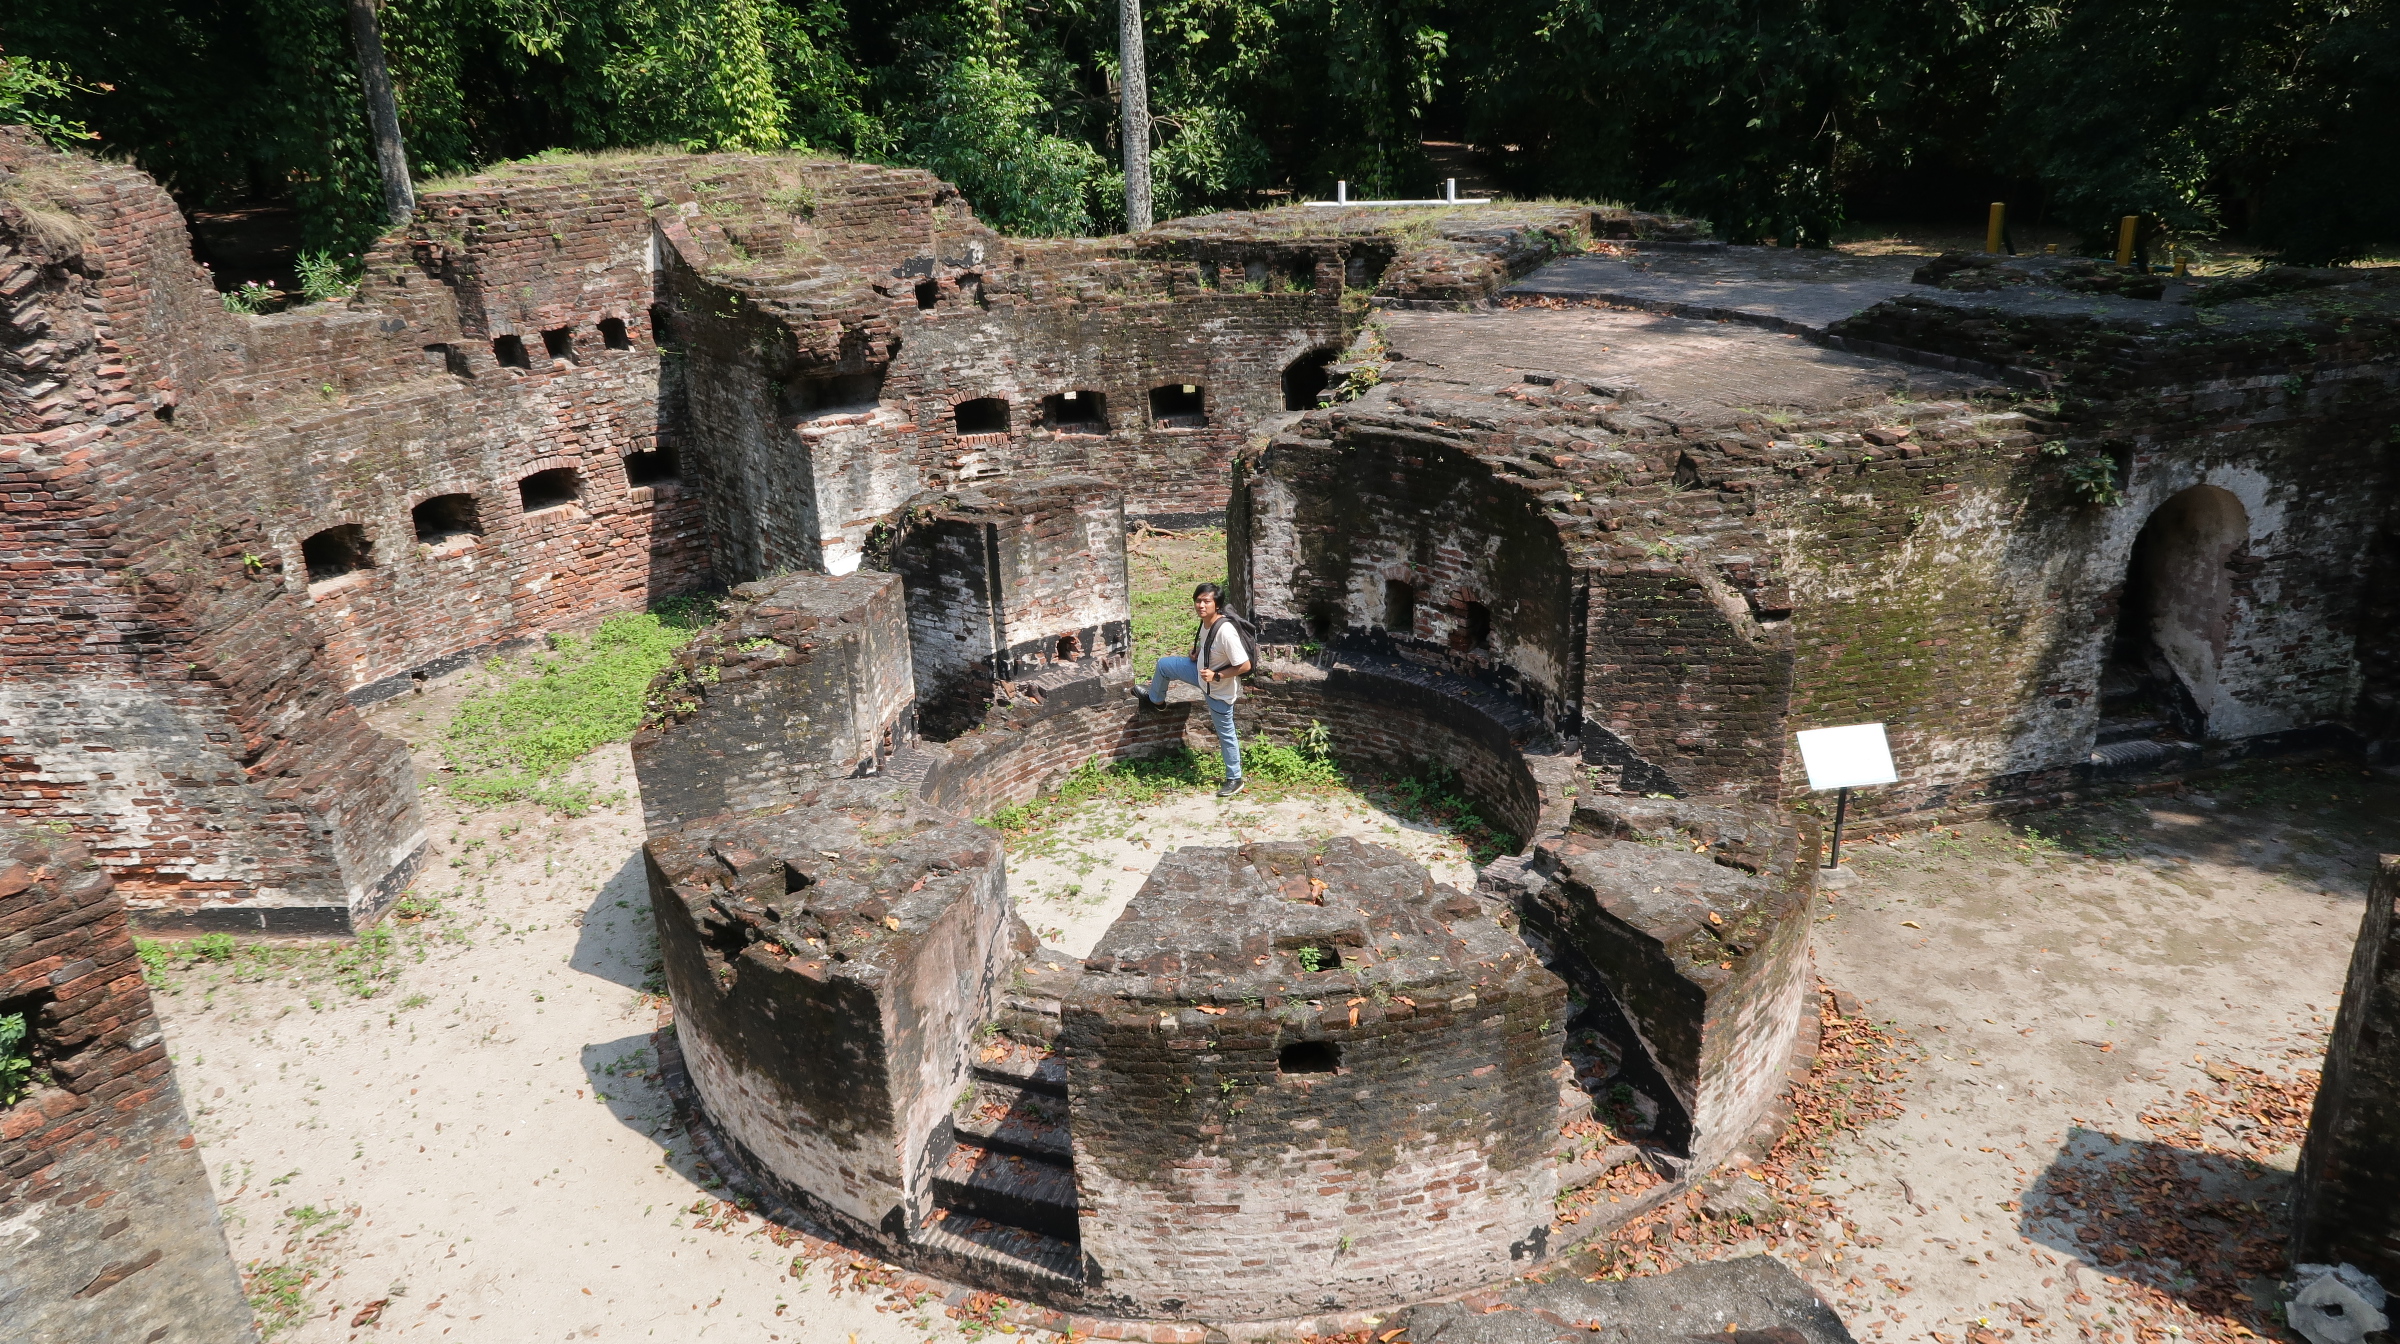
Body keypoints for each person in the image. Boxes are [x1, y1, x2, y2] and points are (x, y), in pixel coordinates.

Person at [1134, 582, 1253, 797]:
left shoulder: (1225, 631)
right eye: (1198, 600)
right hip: (1200, 674)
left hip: (1218, 690)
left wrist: (1217, 675)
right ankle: (1156, 702)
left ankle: (1235, 778)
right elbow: (1213, 650)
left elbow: (1245, 665)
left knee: (1226, 735)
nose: (1201, 605)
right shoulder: (1206, 623)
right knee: (1164, 665)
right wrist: (1198, 654)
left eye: (1206, 601)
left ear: (1216, 604)